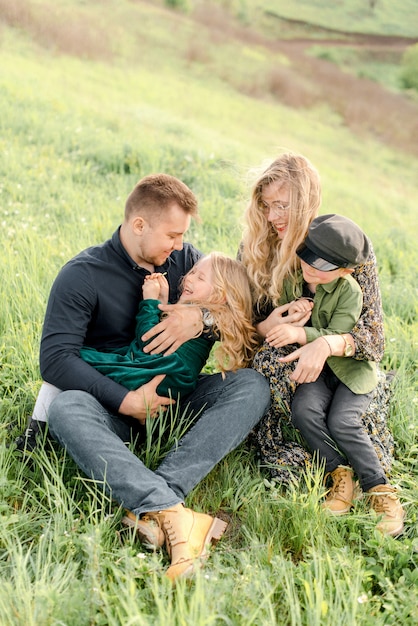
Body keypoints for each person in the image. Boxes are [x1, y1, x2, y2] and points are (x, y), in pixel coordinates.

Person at [22, 173, 270, 582]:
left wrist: (203, 318)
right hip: (112, 409)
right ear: (140, 225)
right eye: (172, 236)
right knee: (67, 404)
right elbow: (56, 360)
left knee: (250, 386)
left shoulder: (186, 261)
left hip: (172, 399)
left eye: (182, 237)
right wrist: (126, 401)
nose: (179, 247)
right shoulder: (82, 276)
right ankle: (172, 514)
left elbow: (235, 301)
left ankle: (162, 496)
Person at [239, 152, 397, 530]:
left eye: (283, 205)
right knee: (284, 389)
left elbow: (374, 336)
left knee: (345, 420)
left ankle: (377, 488)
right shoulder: (257, 247)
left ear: (306, 202)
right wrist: (272, 325)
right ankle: (331, 469)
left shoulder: (346, 247)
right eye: (266, 205)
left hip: (342, 363)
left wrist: (322, 343)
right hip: (282, 356)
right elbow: (241, 323)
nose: (272, 216)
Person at [272, 213, 403, 535]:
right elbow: (280, 310)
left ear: (345, 270)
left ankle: (379, 489)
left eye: (325, 266)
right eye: (309, 257)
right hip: (318, 372)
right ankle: (339, 474)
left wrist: (302, 334)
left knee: (342, 421)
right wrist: (294, 312)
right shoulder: (294, 277)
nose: (312, 268)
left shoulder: (350, 290)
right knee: (304, 411)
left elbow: (339, 331)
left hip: (351, 371)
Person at [79, 252, 258, 398]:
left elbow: (148, 340)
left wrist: (149, 301)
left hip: (161, 376)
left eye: (200, 278)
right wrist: (162, 302)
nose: (189, 279)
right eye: (193, 271)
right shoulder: (197, 315)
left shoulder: (197, 318)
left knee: (88, 359)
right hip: (168, 377)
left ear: (220, 296)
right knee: (104, 359)